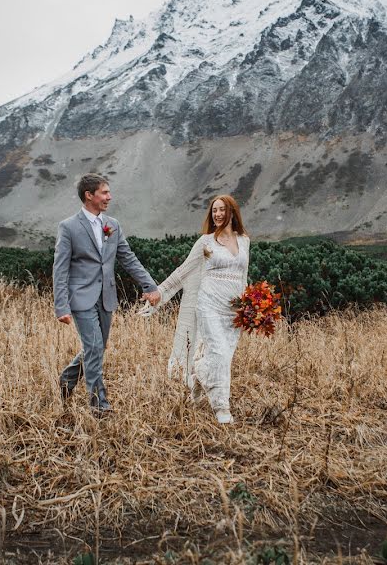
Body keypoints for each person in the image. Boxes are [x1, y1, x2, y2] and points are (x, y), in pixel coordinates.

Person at [53, 173, 161, 414]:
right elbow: (59, 269)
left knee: (97, 348)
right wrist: (61, 306)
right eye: (104, 192)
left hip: (107, 297)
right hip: (80, 297)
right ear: (88, 195)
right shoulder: (68, 227)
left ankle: (67, 379)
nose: (109, 197)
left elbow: (127, 258)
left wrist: (150, 285)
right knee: (92, 347)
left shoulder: (112, 224)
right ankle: (99, 405)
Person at [146, 195, 250, 424]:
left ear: (232, 212)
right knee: (219, 353)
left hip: (233, 309)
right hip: (209, 304)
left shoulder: (244, 241)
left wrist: (249, 305)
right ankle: (222, 406)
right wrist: (159, 292)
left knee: (225, 357)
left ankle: (198, 374)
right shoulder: (205, 242)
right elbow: (183, 271)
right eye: (214, 211)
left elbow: (243, 276)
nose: (218, 214)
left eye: (222, 210)